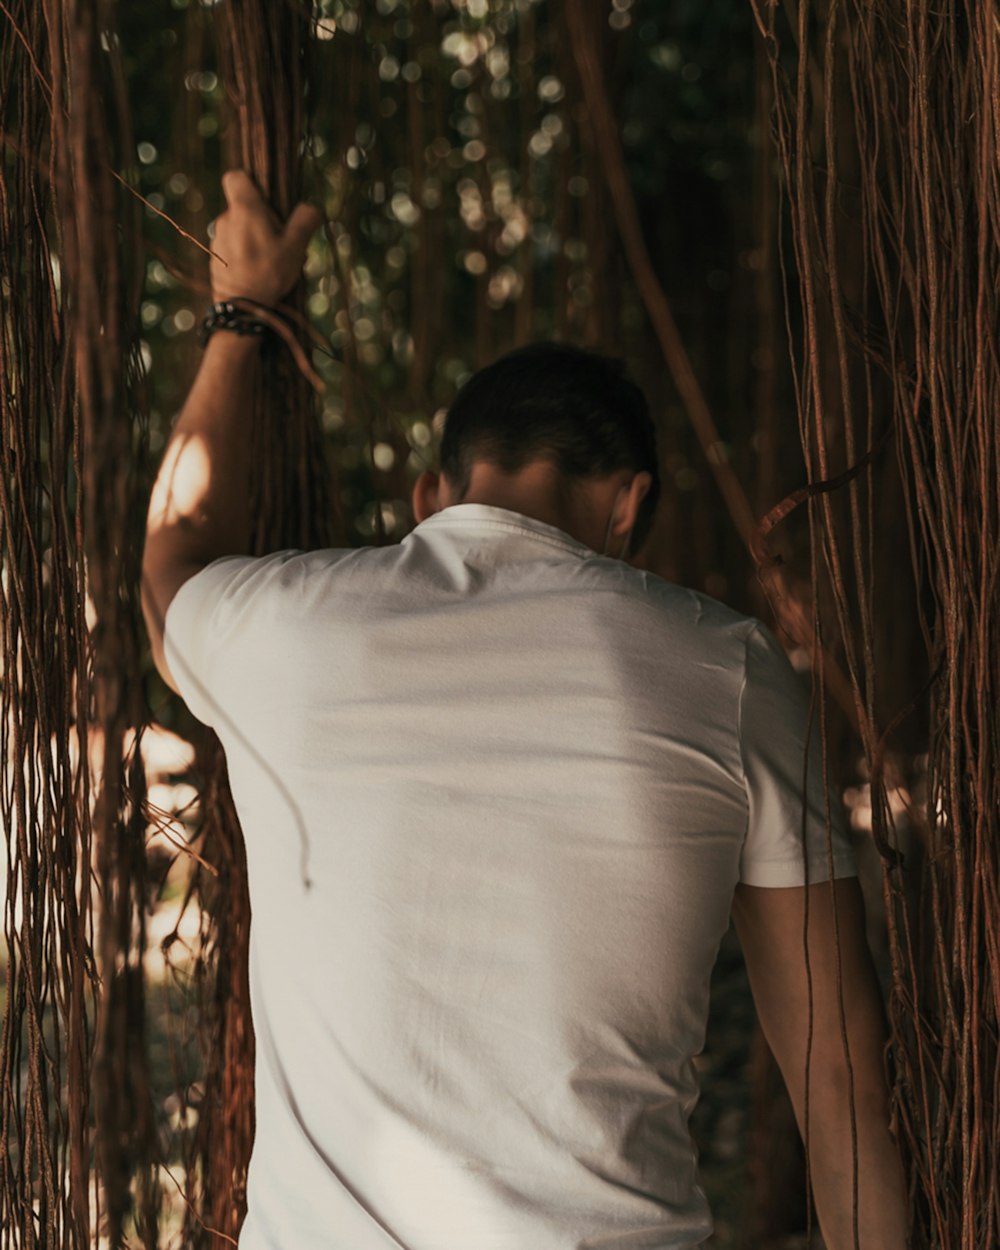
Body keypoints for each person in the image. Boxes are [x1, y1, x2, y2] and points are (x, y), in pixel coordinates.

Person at [141, 170, 909, 1250]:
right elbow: (839, 1064)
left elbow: (170, 556)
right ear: (630, 502)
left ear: (431, 492)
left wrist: (239, 314)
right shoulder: (729, 669)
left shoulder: (288, 628)